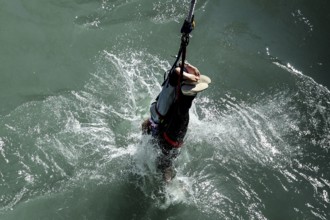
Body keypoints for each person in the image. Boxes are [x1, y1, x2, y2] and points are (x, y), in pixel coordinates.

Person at [142, 62, 210, 182]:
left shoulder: (162, 108)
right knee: (167, 160)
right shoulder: (167, 108)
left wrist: (190, 73)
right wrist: (191, 70)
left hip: (172, 137)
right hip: (173, 134)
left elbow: (175, 72)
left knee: (164, 162)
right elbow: (178, 68)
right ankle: (168, 180)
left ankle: (167, 184)